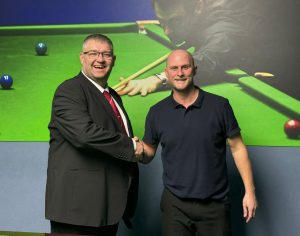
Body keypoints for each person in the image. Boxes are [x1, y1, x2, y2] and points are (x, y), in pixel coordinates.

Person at [139, 49, 257, 236]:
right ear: (166, 72)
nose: (180, 73)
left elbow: (238, 148)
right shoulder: (156, 112)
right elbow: (148, 152)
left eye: (185, 67)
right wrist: (138, 152)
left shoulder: (220, 106)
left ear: (194, 69)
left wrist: (249, 192)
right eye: (174, 68)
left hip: (215, 205)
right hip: (175, 205)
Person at [45, 34, 143, 236]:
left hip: (107, 207)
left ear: (113, 60)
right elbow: (84, 134)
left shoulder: (112, 96)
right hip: (77, 209)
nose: (100, 59)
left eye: (106, 54)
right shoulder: (69, 90)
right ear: (82, 57)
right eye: (93, 53)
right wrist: (132, 147)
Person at [117, 0, 300, 100]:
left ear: (198, 6)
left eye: (175, 21)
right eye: (162, 22)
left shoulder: (224, 23)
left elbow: (211, 57)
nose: (167, 31)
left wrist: (159, 78)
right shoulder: (199, 9)